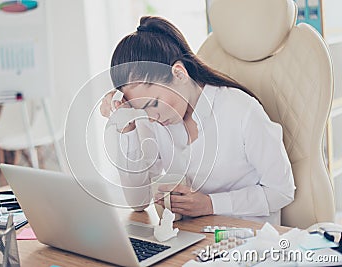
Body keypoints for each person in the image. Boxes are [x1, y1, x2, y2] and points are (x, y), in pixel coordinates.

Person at [100, 16, 295, 224]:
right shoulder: (153, 119)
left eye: (154, 103)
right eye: (142, 110)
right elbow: (138, 202)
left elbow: (281, 191)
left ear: (179, 73)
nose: (151, 117)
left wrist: (211, 204)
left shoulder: (241, 110)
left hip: (249, 241)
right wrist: (127, 128)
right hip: (191, 239)